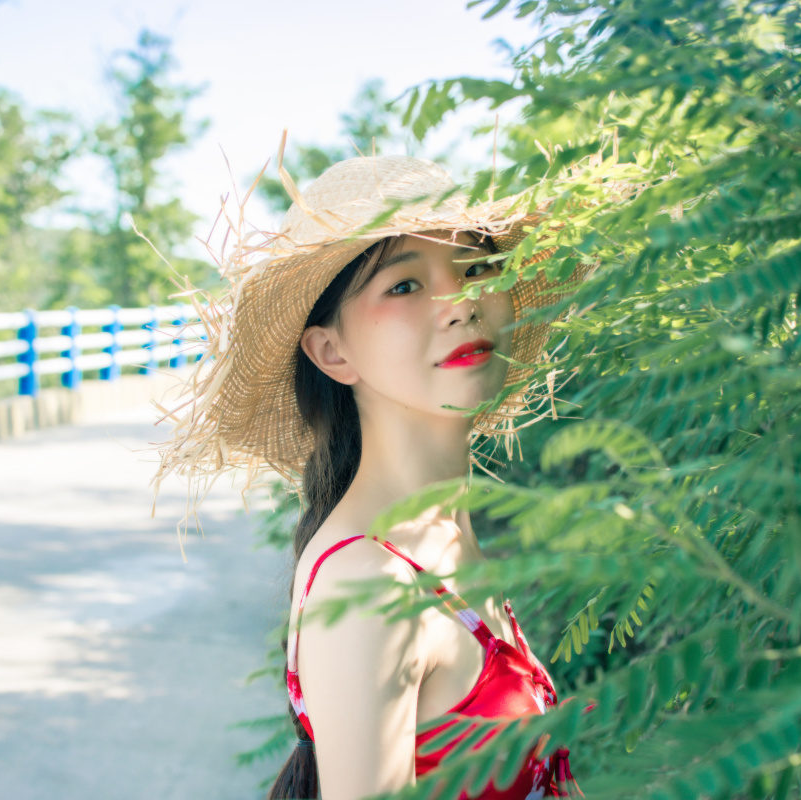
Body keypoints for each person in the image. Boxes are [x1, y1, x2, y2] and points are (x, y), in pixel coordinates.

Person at [153, 154, 589, 800]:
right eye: (405, 285)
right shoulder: (370, 581)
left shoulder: (441, 535)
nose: (461, 302)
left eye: (477, 269)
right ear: (332, 351)